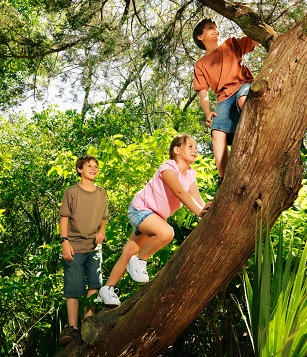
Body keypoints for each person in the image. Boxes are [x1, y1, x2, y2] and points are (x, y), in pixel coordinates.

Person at [97, 134, 210, 306]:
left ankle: (107, 290)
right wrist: (200, 212)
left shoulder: (190, 174)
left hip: (154, 217)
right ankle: (139, 261)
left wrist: (207, 211)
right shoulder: (168, 168)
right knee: (166, 233)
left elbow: (197, 198)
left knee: (128, 252)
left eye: (196, 147)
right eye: (190, 147)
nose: (195, 150)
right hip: (141, 210)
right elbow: (180, 193)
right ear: (177, 150)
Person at [192, 18, 260, 185]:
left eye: (216, 27)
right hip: (224, 98)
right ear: (200, 37)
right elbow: (203, 92)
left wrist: (252, 23)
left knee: (244, 100)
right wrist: (207, 112)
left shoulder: (231, 44)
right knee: (217, 130)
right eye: (209, 28)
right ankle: (224, 179)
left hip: (243, 85)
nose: (215, 30)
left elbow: (256, 39)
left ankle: (259, 136)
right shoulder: (200, 64)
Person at [57, 155, 109, 346]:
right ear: (80, 169)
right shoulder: (71, 192)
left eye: (96, 166)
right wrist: (65, 242)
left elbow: (103, 219)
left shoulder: (102, 193)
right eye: (89, 166)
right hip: (74, 247)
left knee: (95, 283)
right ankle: (72, 328)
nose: (93, 169)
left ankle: (88, 320)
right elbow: (64, 218)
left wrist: (101, 232)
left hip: (94, 248)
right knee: (73, 289)